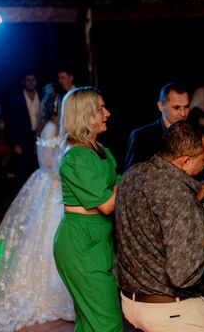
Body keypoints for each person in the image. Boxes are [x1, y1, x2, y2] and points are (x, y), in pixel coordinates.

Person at [0, 83, 74, 332]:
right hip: (50, 186)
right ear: (54, 106)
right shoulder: (51, 128)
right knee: (43, 237)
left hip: (56, 187)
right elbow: (46, 163)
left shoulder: (59, 127)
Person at [114, 121, 204, 332]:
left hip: (131, 303)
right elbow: (184, 275)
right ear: (184, 161)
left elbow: (162, 214)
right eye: (203, 160)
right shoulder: (179, 198)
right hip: (168, 312)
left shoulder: (134, 174)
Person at [53, 87, 122, 332]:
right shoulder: (77, 157)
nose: (108, 113)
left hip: (98, 240)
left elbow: (116, 185)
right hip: (80, 243)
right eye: (100, 109)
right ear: (84, 115)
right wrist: (126, 182)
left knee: (91, 322)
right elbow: (108, 203)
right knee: (107, 322)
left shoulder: (102, 152)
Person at [122, 82, 189, 172]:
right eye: (176, 108)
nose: (183, 113)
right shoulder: (142, 136)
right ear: (161, 106)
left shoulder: (194, 134)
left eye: (186, 107)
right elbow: (130, 175)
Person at [9, 73, 40, 188]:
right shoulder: (16, 99)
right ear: (23, 82)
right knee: (22, 171)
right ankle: (21, 201)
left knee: (38, 169)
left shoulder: (42, 96)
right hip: (23, 140)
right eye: (28, 80)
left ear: (36, 81)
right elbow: (11, 123)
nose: (31, 82)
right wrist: (15, 143)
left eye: (33, 80)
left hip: (40, 138)